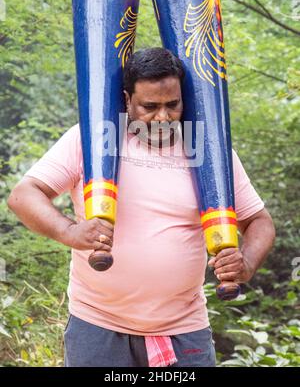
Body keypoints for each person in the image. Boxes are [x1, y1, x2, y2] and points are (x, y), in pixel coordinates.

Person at [8, 47, 275, 367]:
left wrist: (245, 263)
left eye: (172, 104)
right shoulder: (90, 141)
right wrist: (70, 231)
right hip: (97, 324)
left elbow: (259, 221)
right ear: (127, 100)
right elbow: (24, 195)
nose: (163, 117)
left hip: (185, 328)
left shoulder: (210, 151)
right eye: (150, 106)